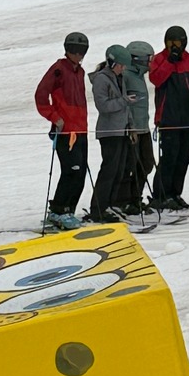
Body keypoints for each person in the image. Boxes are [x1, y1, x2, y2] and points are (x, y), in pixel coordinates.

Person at [150, 25, 189, 210]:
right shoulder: (160, 59)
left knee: (184, 156)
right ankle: (161, 195)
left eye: (176, 43)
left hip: (188, 117)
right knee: (169, 156)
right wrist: (170, 61)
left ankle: (175, 193)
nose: (173, 46)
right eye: (170, 43)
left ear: (183, 42)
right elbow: (156, 79)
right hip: (168, 118)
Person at [34, 31, 90, 230]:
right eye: (76, 50)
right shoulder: (59, 69)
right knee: (71, 171)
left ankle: (68, 211)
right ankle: (58, 211)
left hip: (81, 129)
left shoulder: (80, 72)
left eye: (83, 50)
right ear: (68, 50)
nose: (80, 54)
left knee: (81, 172)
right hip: (66, 131)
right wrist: (54, 117)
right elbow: (41, 94)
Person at [87, 45, 133, 223]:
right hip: (109, 132)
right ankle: (98, 208)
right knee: (109, 170)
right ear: (112, 62)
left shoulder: (117, 78)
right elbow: (103, 106)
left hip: (121, 130)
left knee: (119, 169)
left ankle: (110, 205)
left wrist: (130, 125)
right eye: (121, 65)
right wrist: (124, 101)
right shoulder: (101, 79)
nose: (123, 69)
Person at [114, 41, 156, 216]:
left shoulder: (138, 76)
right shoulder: (127, 76)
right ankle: (124, 201)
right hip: (132, 129)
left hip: (143, 127)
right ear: (137, 59)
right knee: (130, 165)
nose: (150, 63)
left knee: (146, 162)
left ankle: (135, 197)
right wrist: (129, 126)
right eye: (149, 59)